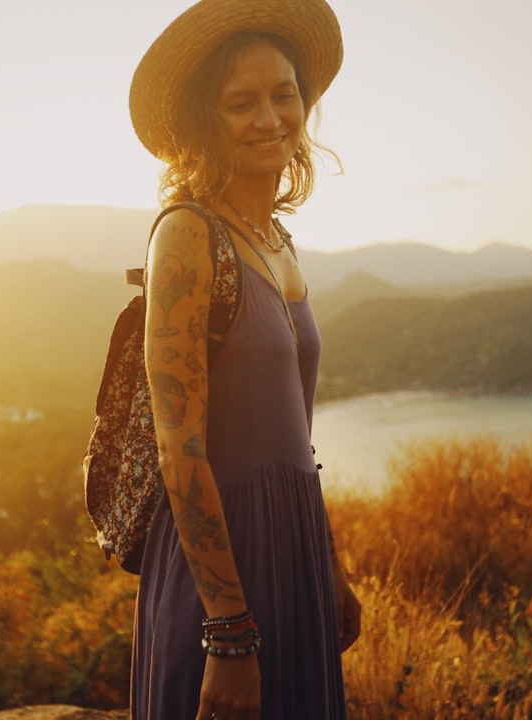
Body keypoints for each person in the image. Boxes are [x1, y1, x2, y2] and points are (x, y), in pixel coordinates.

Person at [128, 1, 361, 718]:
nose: (269, 118)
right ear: (206, 120)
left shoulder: (280, 243)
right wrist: (227, 632)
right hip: (222, 576)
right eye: (240, 102)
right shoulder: (189, 236)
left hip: (294, 554)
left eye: (283, 94)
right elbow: (180, 449)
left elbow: (299, 439)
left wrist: (329, 566)